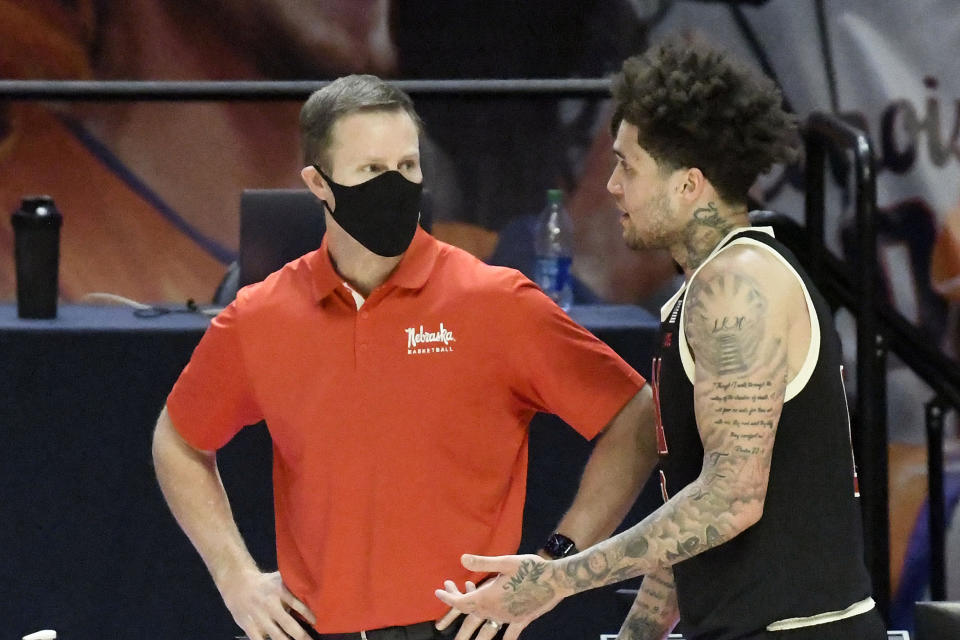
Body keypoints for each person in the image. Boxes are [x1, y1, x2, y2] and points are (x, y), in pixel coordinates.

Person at [152, 74, 659, 640]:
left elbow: (635, 415)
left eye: (408, 167)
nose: (396, 185)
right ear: (318, 184)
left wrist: (559, 564)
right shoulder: (260, 315)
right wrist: (235, 576)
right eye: (371, 171)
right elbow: (178, 440)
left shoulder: (494, 302)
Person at [435, 40, 887, 639]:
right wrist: (637, 633)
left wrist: (559, 578)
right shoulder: (699, 291)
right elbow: (695, 513)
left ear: (688, 185)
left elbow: (729, 502)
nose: (613, 186)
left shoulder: (737, 285)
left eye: (629, 165)